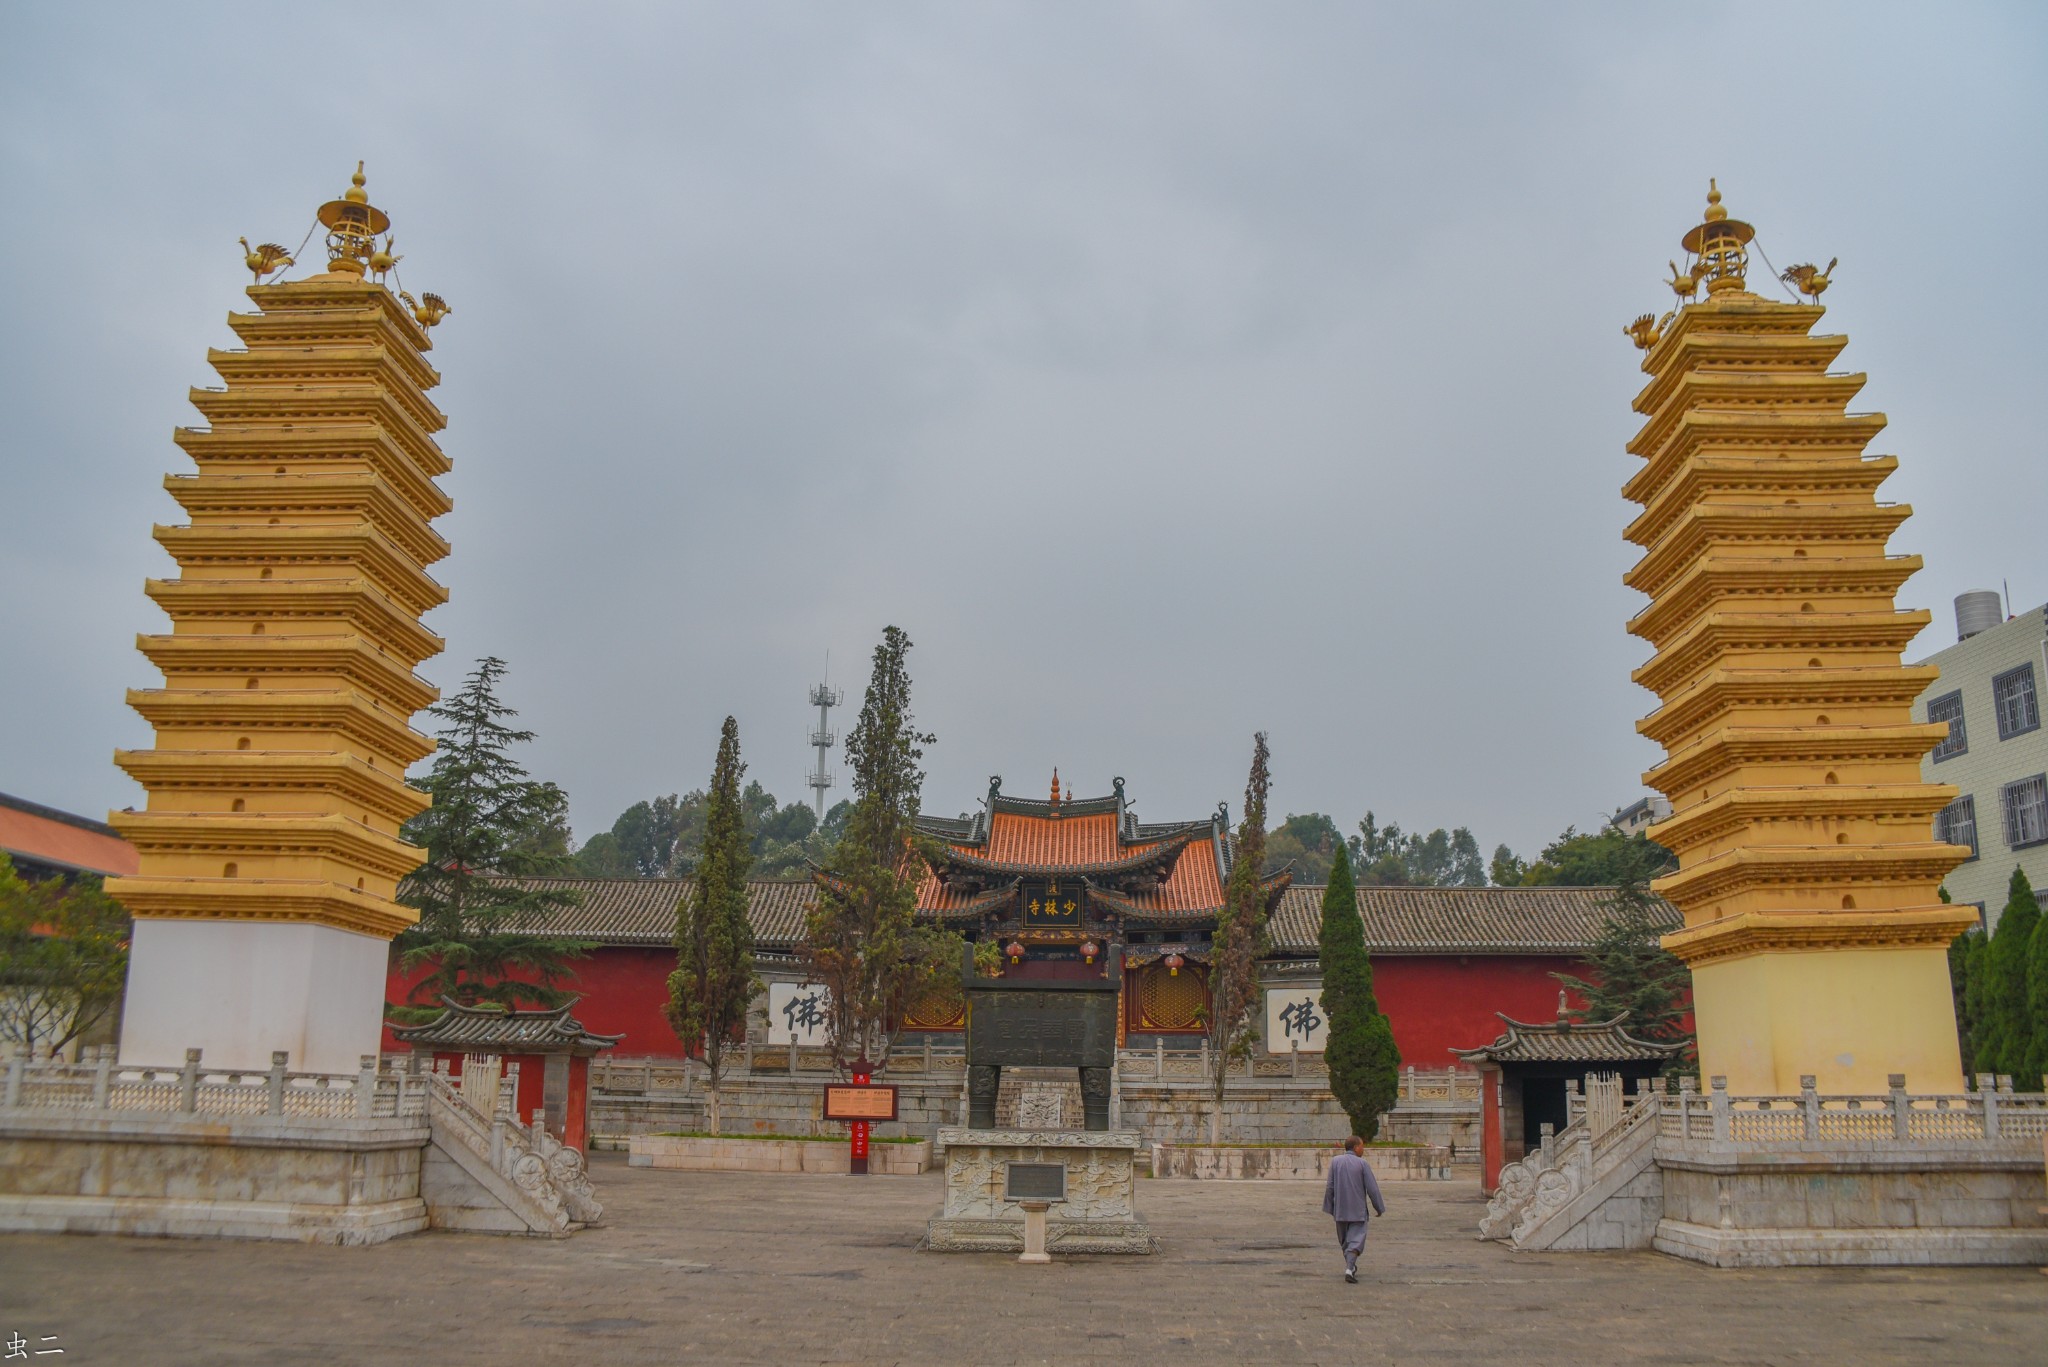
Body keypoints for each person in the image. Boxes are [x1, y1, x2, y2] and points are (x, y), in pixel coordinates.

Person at [1321, 1135, 1386, 1283]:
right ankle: (1350, 1268)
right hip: (1357, 1210)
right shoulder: (1362, 1164)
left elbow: (1330, 1186)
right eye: (1362, 1146)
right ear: (1356, 1147)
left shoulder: (1335, 1162)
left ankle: (1350, 1265)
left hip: (1340, 1209)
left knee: (1345, 1241)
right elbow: (1372, 1189)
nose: (1363, 1149)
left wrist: (1330, 1207)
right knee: (1356, 1240)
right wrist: (1379, 1207)